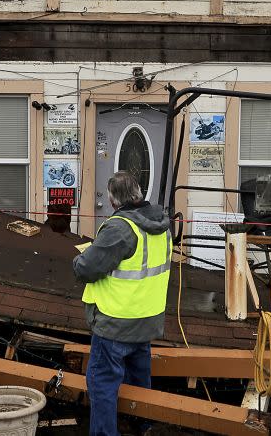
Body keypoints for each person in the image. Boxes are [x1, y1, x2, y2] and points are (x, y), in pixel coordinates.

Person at [72, 171, 172, 436]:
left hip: (115, 322)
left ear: (114, 201)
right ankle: (143, 426)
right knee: (139, 382)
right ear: (138, 193)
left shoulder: (120, 228)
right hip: (146, 319)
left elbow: (86, 269)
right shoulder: (161, 224)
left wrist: (79, 259)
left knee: (102, 384)